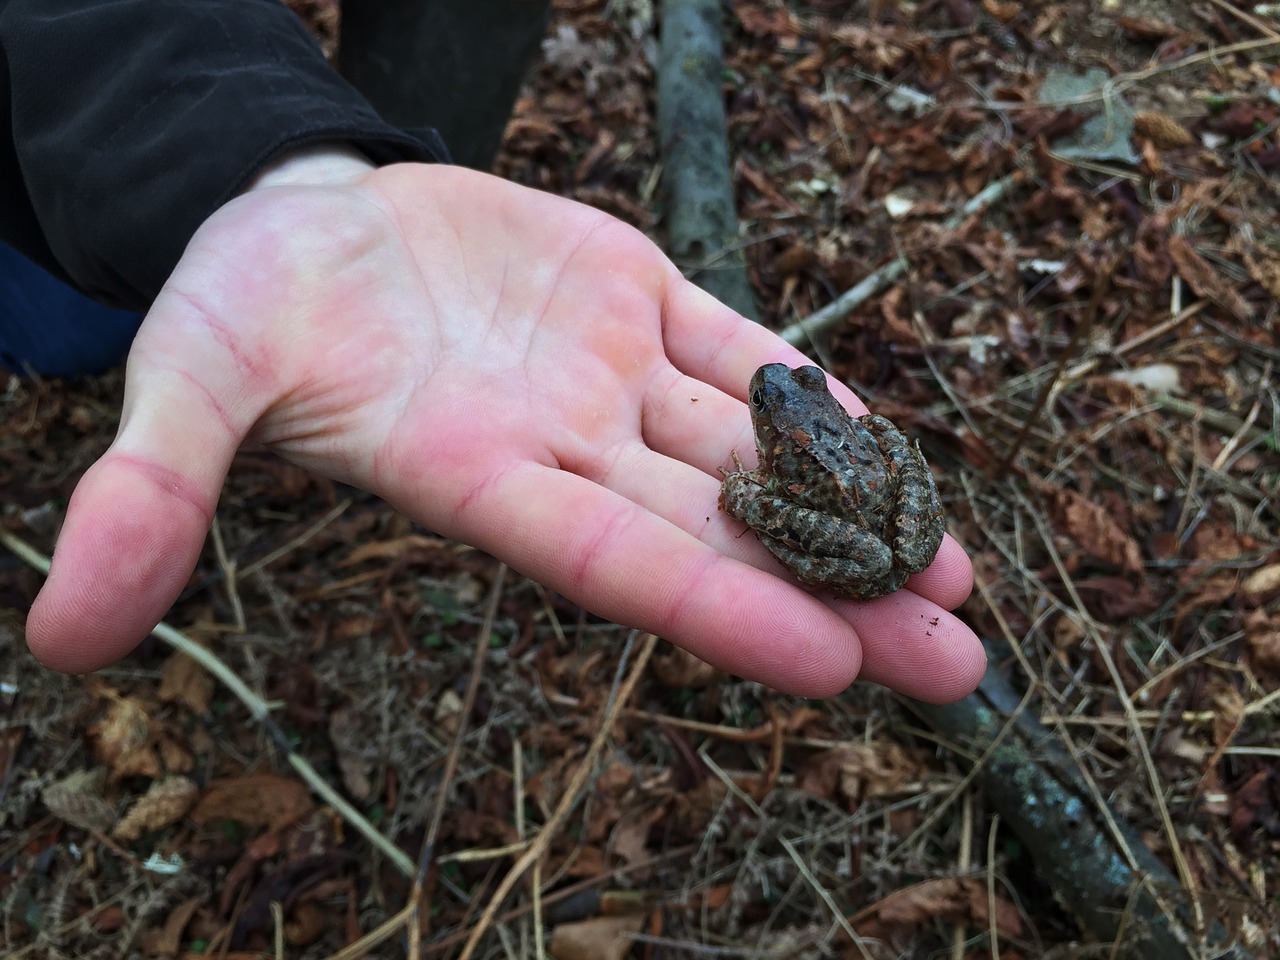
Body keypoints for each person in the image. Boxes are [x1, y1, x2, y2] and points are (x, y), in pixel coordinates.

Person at [1, 1, 985, 701]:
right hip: (79, 86)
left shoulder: (775, 453)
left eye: (786, 391)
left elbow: (775, 493)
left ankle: (378, 157)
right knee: (68, 329)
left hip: (855, 514)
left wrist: (316, 162)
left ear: (785, 413)